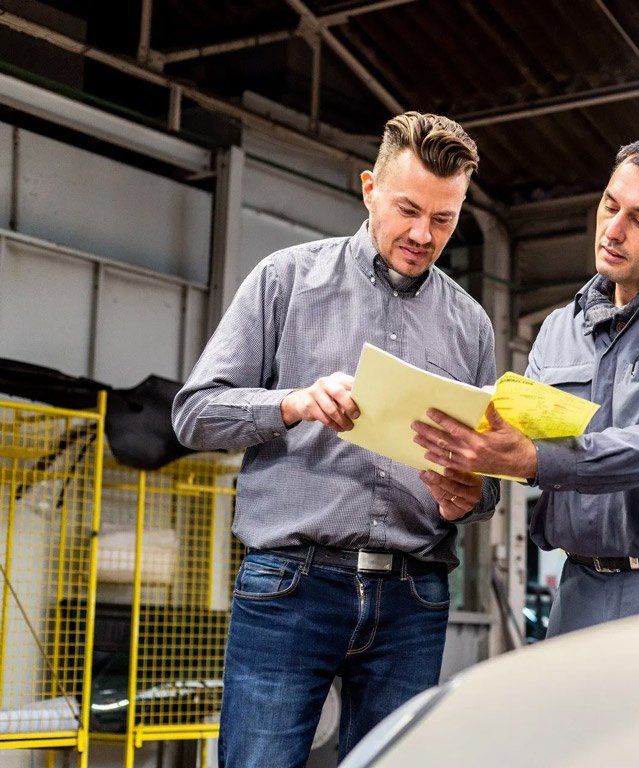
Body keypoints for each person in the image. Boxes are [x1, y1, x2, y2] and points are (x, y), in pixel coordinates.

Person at [172, 111, 499, 767]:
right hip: (289, 585)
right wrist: (292, 403)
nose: (422, 234)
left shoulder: (471, 326)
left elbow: (488, 485)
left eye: (443, 219)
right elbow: (194, 414)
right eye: (408, 210)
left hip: (414, 598)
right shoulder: (285, 280)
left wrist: (471, 495)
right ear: (369, 189)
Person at [413, 137, 639, 636]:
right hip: (580, 588)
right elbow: (519, 440)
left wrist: (532, 461)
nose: (613, 230)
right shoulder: (561, 328)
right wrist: (473, 486)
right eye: (610, 206)